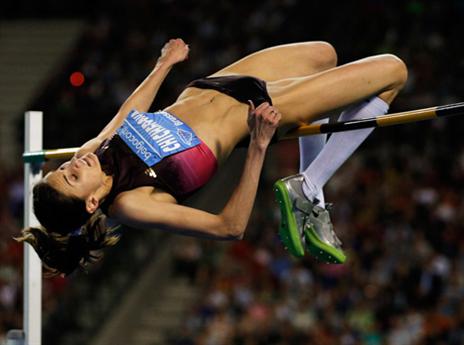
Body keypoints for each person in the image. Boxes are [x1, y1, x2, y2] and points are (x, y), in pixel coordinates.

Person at [16, 38, 407, 276]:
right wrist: (257, 146)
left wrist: (163, 66)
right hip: (253, 110)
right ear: (91, 202)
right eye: (69, 177)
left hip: (214, 84)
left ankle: (310, 190)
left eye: (62, 167)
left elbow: (127, 116)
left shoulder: (92, 153)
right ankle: (311, 183)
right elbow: (228, 227)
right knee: (393, 71)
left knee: (325, 54)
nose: (72, 165)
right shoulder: (131, 203)